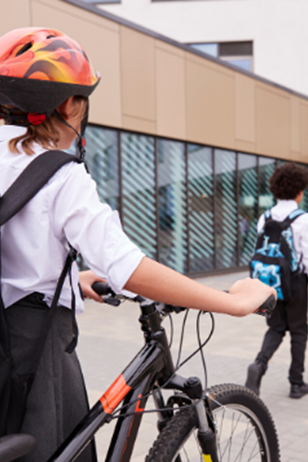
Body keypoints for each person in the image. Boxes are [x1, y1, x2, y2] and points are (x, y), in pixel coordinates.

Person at [0, 27, 275, 462]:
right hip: (34, 355)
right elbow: (127, 268)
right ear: (71, 103)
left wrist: (73, 278)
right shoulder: (60, 174)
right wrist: (233, 302)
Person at [245, 163, 308, 399]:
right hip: (296, 284)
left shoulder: (264, 217)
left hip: (270, 284)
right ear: (300, 190)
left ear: (275, 190)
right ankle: (296, 383)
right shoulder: (304, 219)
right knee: (298, 332)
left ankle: (259, 365)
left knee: (275, 328)